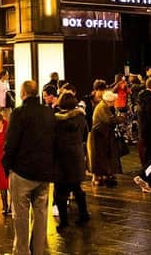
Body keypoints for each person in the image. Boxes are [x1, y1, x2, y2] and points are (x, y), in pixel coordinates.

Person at [2, 80, 56, 255]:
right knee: (41, 215)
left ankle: (22, 251)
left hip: (22, 171)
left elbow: (11, 143)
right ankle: (38, 250)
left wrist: (6, 166)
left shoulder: (19, 113)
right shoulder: (48, 112)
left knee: (21, 216)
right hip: (44, 172)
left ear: (23, 93)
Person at [54, 93, 90, 230]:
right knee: (77, 187)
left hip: (62, 158)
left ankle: (64, 221)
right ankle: (84, 214)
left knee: (60, 192)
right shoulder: (81, 118)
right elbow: (86, 134)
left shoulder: (57, 121)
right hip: (76, 156)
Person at [87, 90, 123, 186]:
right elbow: (109, 120)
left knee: (101, 157)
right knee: (98, 157)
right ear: (110, 101)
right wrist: (120, 118)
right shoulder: (103, 107)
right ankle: (97, 178)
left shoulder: (103, 106)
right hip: (99, 136)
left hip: (101, 135)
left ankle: (102, 176)